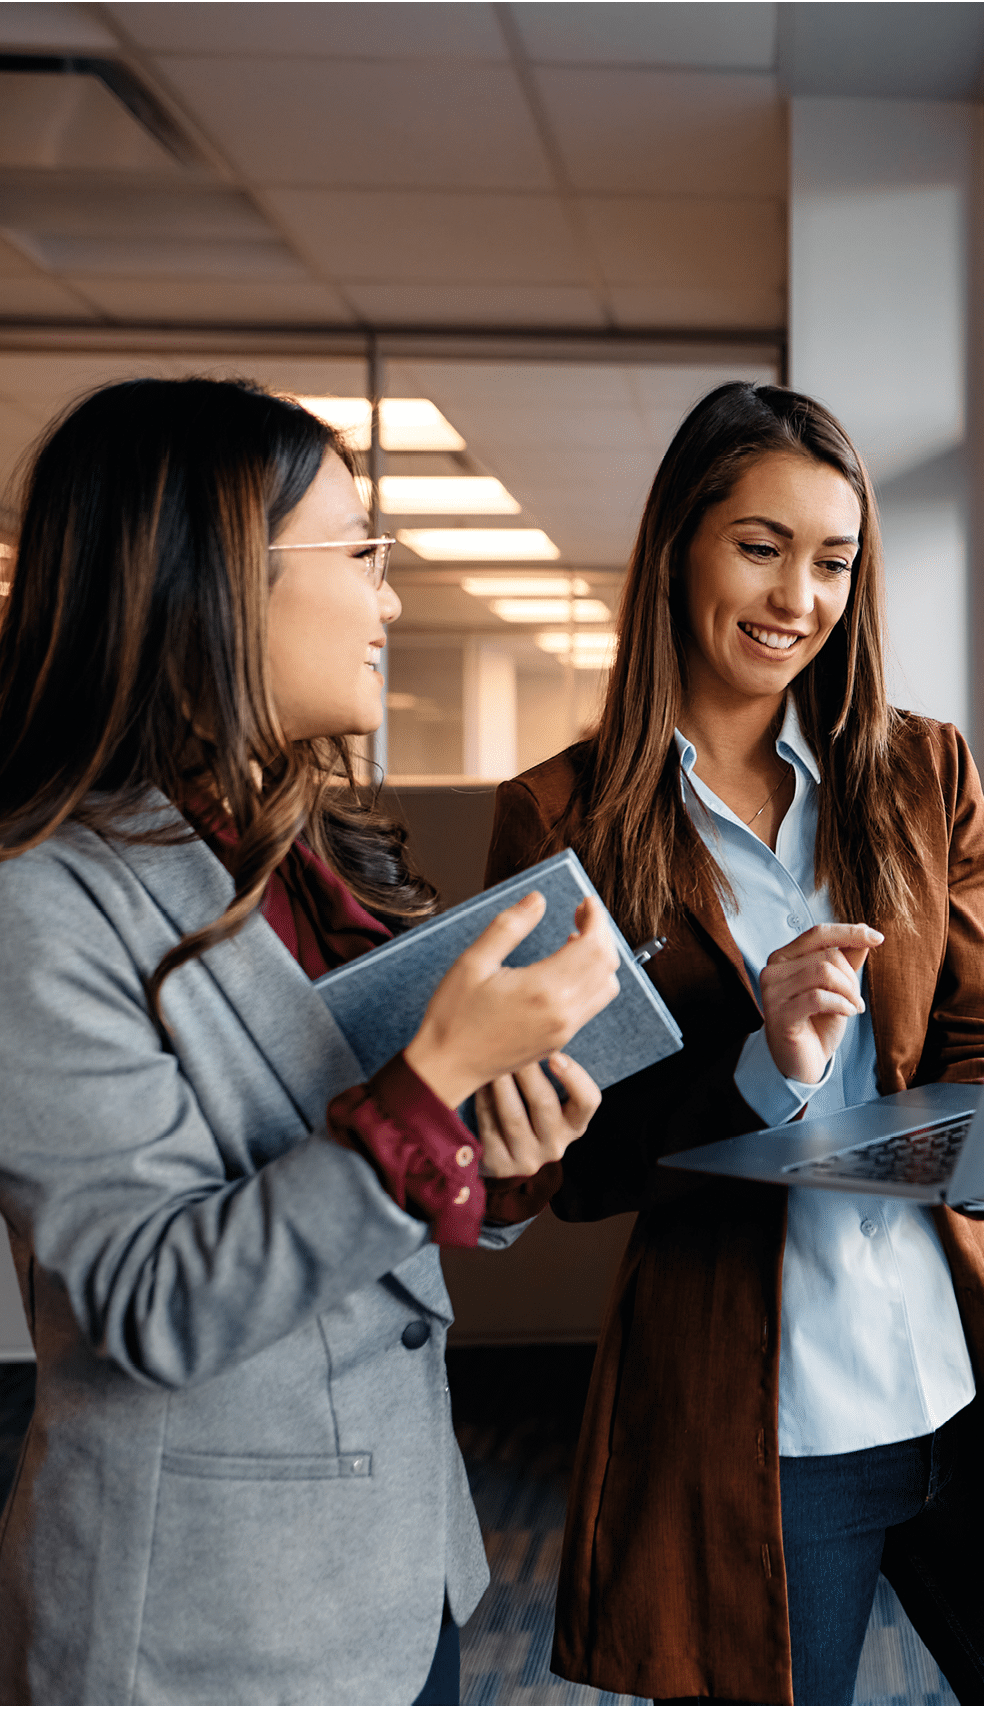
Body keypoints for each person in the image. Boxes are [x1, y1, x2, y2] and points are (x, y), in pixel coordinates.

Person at [483, 381, 984, 1705]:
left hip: (982, 1379)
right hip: (760, 1423)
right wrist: (769, 1060)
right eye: (760, 545)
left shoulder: (923, 772)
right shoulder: (563, 817)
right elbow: (577, 1158)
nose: (797, 595)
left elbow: (979, 1040)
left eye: (833, 559)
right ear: (681, 545)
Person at [0, 377, 619, 1706]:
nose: (390, 600)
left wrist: (495, 1140)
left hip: (403, 1563)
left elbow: (346, 1164)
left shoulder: (302, 847)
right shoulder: (38, 901)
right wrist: (433, 1083)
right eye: (360, 554)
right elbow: (151, 1300)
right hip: (210, 1621)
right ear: (217, 586)